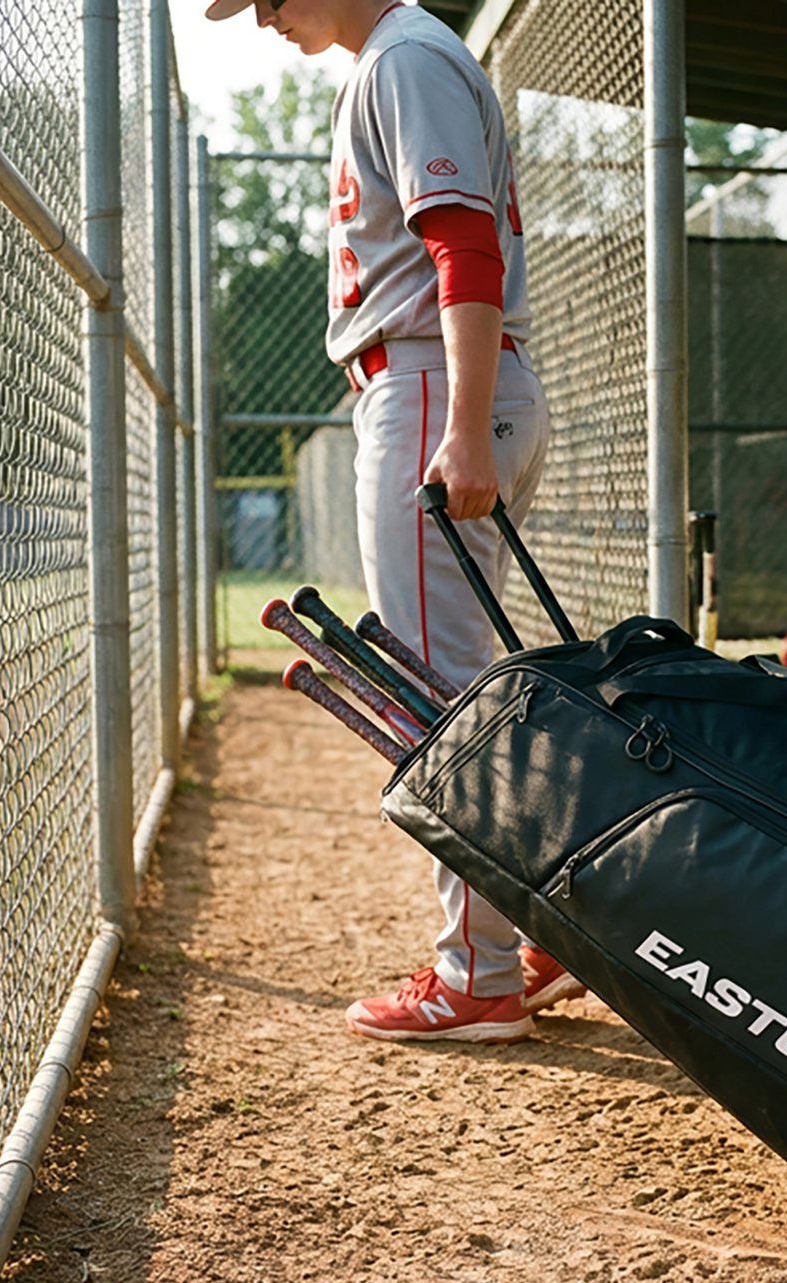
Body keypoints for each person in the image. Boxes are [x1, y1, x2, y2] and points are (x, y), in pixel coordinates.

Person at [206, 0, 585, 1042]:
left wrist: (459, 426)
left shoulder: (403, 58)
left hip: (433, 385)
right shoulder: (402, 54)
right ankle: (528, 938)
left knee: (439, 700)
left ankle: (479, 976)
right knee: (469, 693)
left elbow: (461, 245)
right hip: (440, 383)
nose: (263, 20)